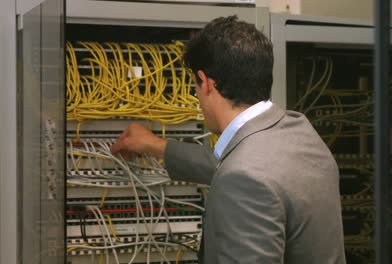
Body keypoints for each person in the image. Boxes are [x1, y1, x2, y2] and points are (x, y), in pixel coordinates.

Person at [111, 16, 345, 264]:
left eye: (195, 87)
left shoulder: (244, 177)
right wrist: (156, 146)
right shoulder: (300, 133)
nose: (198, 100)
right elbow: (250, 167)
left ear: (207, 83)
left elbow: (243, 176)